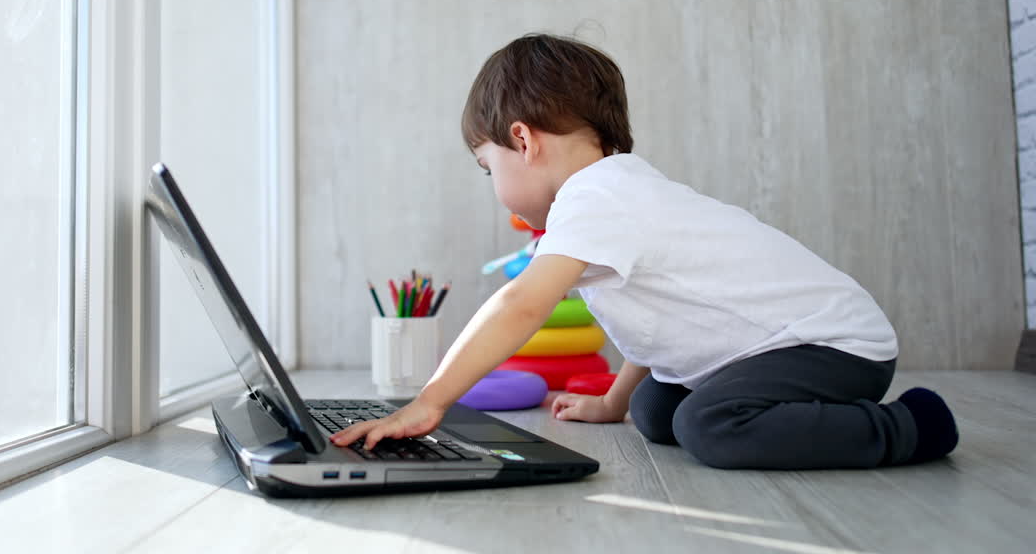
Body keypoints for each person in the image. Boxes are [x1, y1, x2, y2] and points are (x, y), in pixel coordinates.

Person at [330, 33, 958, 469]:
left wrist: (431, 400)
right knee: (656, 408)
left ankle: (909, 427)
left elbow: (521, 306)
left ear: (522, 140)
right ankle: (743, 411)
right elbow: (655, 324)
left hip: (834, 345)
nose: (492, 185)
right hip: (769, 349)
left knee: (706, 426)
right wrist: (613, 400)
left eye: (484, 166)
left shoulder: (597, 196)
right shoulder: (610, 196)